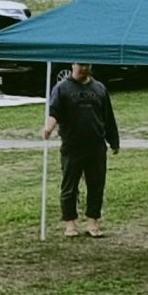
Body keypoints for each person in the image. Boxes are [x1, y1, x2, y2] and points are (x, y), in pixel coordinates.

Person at [42, 62, 120, 236]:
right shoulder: (62, 88)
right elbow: (54, 112)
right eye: (81, 65)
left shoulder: (99, 88)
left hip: (96, 145)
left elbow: (108, 117)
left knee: (96, 185)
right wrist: (48, 128)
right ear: (73, 65)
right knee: (70, 186)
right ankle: (70, 223)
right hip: (72, 146)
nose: (84, 68)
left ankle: (93, 223)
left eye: (87, 64)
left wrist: (114, 141)